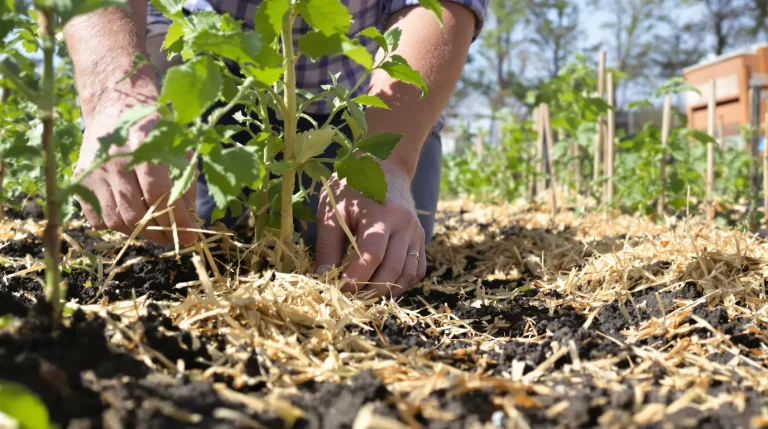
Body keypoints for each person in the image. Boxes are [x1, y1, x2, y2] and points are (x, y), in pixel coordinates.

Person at [63, 0, 486, 297]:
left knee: (373, 255)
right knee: (190, 239)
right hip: (229, 94)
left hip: (365, 100)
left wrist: (389, 161)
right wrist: (116, 98)